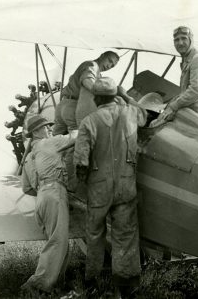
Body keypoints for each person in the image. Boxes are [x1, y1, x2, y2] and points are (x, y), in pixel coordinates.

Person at [73, 77, 147, 298]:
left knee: (94, 233)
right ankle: (126, 285)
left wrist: (84, 182)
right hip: (126, 185)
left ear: (96, 99)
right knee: (126, 235)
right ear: (115, 95)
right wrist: (126, 96)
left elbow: (81, 161)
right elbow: (144, 114)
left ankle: (93, 280)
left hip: (99, 188)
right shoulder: (131, 114)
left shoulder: (89, 121)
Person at [21, 114, 76, 295]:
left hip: (42, 198)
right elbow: (76, 136)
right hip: (54, 193)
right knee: (58, 242)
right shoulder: (50, 142)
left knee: (59, 243)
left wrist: (44, 191)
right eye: (46, 127)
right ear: (36, 131)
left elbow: (27, 188)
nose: (50, 129)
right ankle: (36, 286)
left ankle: (55, 286)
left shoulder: (29, 156)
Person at [53, 51, 120, 136]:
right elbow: (87, 81)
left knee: (55, 140)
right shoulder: (93, 66)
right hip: (72, 107)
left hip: (62, 105)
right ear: (102, 56)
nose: (109, 66)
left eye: (112, 65)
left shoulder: (93, 69)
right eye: (109, 61)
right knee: (75, 140)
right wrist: (106, 95)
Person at [158, 26, 198, 122]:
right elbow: (187, 91)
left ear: (191, 40)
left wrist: (173, 106)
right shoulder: (187, 60)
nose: (180, 43)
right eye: (176, 40)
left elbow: (196, 91)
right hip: (191, 111)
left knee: (155, 124)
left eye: (184, 38)